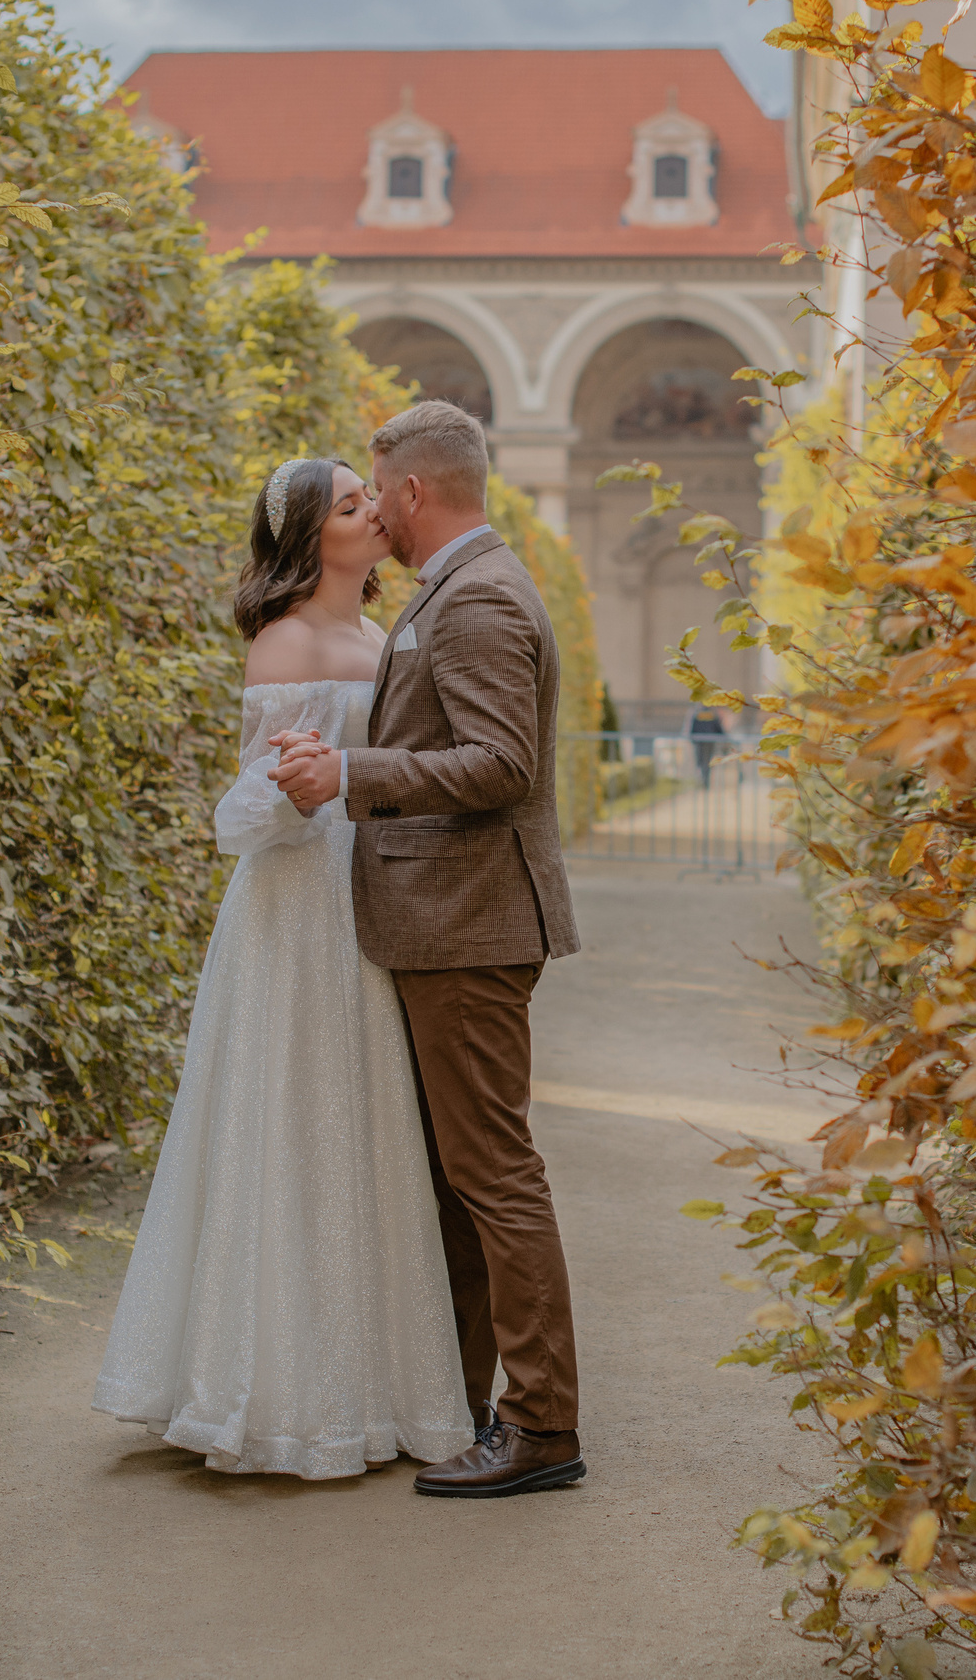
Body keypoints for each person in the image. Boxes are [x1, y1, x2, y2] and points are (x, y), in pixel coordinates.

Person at [89, 457, 475, 1479]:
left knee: (369, 1124)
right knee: (289, 1124)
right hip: (296, 907)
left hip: (378, 895)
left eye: (368, 498)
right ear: (310, 537)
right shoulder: (285, 640)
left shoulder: (389, 637)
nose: (372, 515)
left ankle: (378, 1387)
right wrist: (297, 792)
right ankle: (272, 1390)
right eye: (348, 506)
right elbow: (245, 816)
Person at [271, 400, 587, 1500]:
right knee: (464, 1179)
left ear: (411, 490)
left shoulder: (478, 597)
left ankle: (541, 1424)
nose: (378, 516)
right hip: (451, 918)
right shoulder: (461, 588)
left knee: (493, 1176)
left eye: (378, 490)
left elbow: (500, 763)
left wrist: (355, 775)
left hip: (470, 922)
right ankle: (463, 1403)